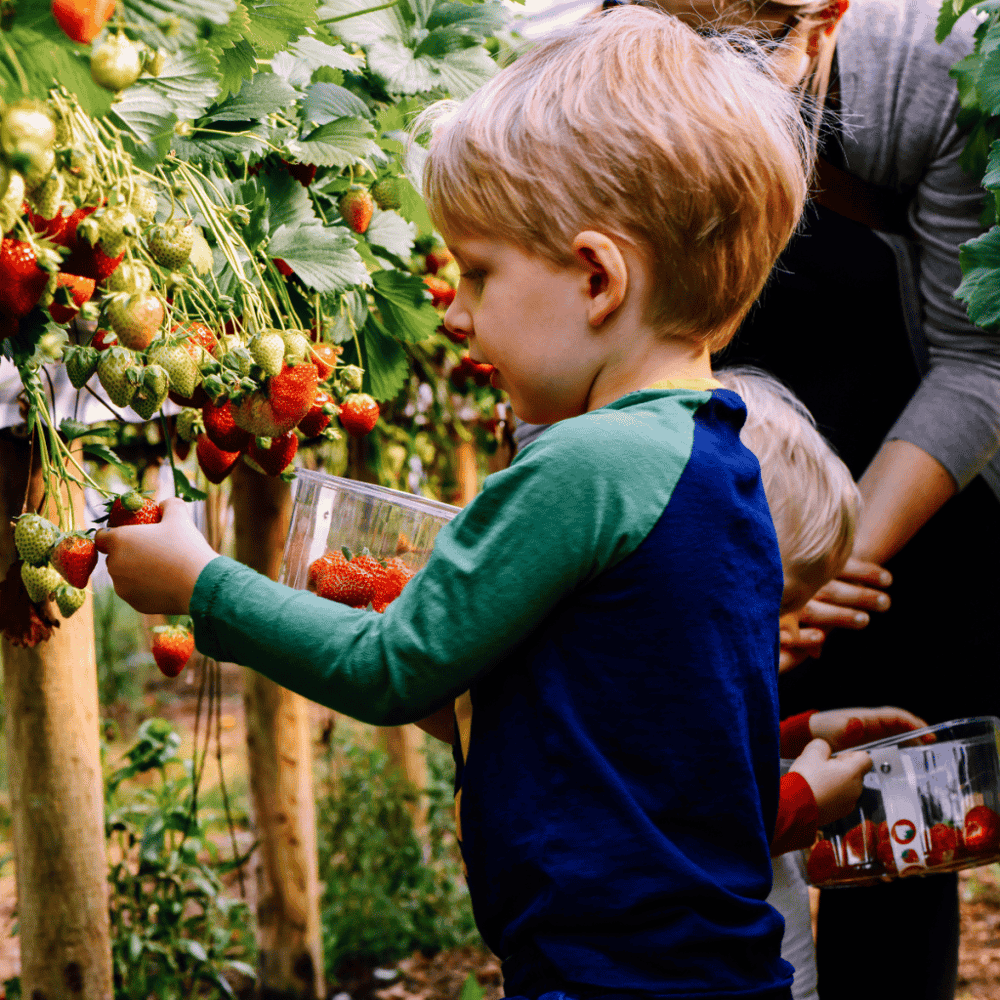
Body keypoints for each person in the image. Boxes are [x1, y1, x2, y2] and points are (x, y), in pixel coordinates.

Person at [98, 9, 816, 999]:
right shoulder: (716, 457)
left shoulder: (586, 464)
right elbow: (602, 729)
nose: (453, 309)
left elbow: (390, 671)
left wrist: (199, 585)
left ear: (598, 277)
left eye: (478, 273)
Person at [716, 366, 930, 1000]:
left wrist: (799, 735)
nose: (788, 630)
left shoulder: (696, 671)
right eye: (770, 606)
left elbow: (724, 755)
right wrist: (803, 800)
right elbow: (686, 820)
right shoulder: (623, 688)